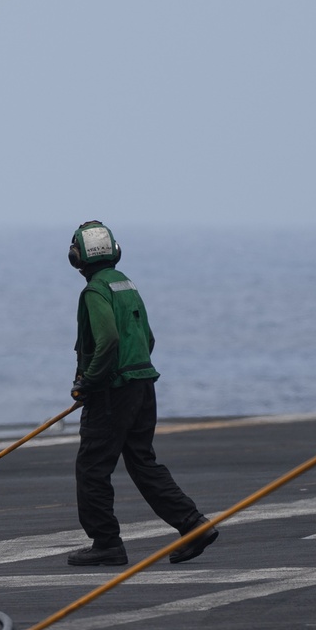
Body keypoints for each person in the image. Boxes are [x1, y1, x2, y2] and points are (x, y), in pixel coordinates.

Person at [65, 220, 218, 567]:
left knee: (92, 467)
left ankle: (106, 543)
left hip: (113, 391)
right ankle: (194, 526)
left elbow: (108, 341)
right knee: (142, 462)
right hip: (142, 385)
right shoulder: (126, 285)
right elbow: (147, 339)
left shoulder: (95, 292)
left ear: (77, 258)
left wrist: (88, 381)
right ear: (115, 252)